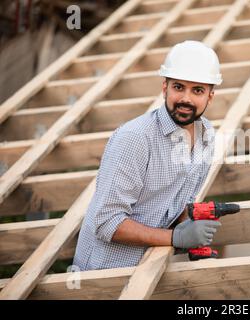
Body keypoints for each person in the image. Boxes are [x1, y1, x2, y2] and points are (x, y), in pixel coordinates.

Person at [73, 41, 222, 270]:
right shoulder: (134, 139)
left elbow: (178, 202)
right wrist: (176, 239)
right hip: (105, 274)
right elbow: (106, 223)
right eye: (179, 87)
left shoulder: (206, 136)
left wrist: (190, 224)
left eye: (198, 90)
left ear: (210, 96)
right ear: (165, 87)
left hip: (152, 265)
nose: (186, 99)